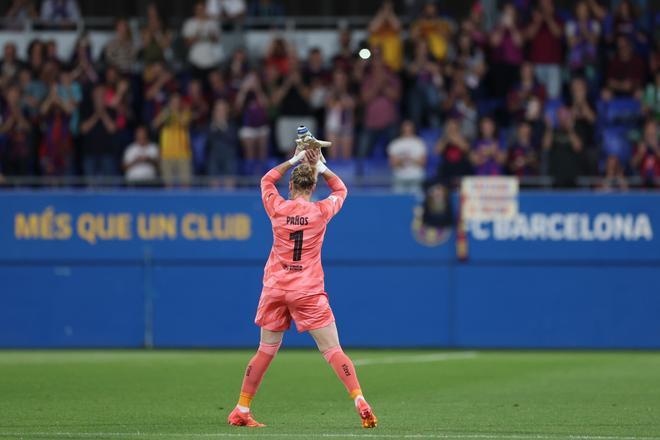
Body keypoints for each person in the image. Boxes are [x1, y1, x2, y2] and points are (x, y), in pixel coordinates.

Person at [226, 142, 377, 430]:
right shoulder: (321, 212)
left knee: (265, 350)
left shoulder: (277, 207)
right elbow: (342, 190)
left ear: (291, 186)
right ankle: (358, 398)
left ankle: (242, 408)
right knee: (332, 350)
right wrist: (319, 164)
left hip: (275, 288)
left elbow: (266, 180)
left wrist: (293, 158)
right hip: (307, 290)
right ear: (312, 186)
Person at [525, 0, 564, 99]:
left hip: (553, 65)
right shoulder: (534, 20)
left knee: (553, 96)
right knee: (536, 95)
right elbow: (529, 36)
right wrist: (538, 21)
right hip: (536, 64)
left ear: (552, 7)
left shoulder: (558, 19)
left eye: (547, 5)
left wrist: (549, 18)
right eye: (542, 5)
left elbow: (558, 34)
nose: (545, 8)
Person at [152, 93, 192, 186]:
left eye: (177, 102)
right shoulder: (165, 113)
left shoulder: (186, 112)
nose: (175, 104)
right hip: (166, 154)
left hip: (183, 154)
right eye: (173, 102)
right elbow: (154, 125)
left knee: (185, 184)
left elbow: (184, 123)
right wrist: (163, 115)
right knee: (168, 184)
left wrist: (174, 112)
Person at [543, 107, 583, 187]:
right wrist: (549, 128)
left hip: (572, 177)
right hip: (556, 176)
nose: (563, 119)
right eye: (561, 116)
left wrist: (570, 129)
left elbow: (578, 147)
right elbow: (546, 146)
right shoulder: (553, 132)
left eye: (565, 116)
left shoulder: (575, 131)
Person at [183, 1, 222, 80]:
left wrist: (211, 35)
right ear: (195, 10)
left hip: (211, 61)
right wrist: (197, 34)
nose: (200, 11)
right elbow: (187, 43)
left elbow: (217, 40)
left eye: (202, 9)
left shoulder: (213, 23)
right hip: (195, 61)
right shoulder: (189, 23)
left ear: (206, 9)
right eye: (198, 9)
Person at [387, 120, 427, 193]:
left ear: (413, 129)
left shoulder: (419, 143)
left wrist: (409, 159)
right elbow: (393, 164)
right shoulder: (395, 144)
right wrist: (404, 160)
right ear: (401, 129)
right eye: (405, 128)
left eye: (409, 128)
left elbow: (422, 163)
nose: (407, 130)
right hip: (399, 177)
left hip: (416, 177)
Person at [206, 99, 238, 184]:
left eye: (222, 110)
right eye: (218, 110)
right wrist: (215, 127)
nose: (220, 112)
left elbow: (233, 140)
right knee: (212, 162)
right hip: (214, 155)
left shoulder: (232, 124)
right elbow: (207, 142)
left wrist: (222, 126)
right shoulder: (209, 125)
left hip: (228, 155)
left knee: (230, 164)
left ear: (226, 111)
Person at [630, 119, 660, 187]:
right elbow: (633, 165)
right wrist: (640, 154)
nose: (650, 132)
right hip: (643, 186)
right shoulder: (639, 145)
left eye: (653, 129)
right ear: (645, 132)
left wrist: (656, 148)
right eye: (648, 130)